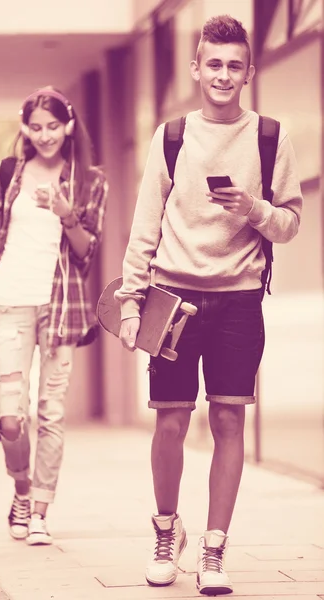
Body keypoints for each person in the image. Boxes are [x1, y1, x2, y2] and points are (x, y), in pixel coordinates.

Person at [115, 15, 302, 596]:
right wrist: (128, 302)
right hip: (171, 299)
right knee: (170, 422)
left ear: (248, 72)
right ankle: (166, 534)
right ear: (197, 68)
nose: (223, 74)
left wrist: (253, 208)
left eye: (233, 65)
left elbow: (290, 224)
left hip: (240, 301)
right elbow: (145, 227)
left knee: (227, 420)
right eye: (213, 63)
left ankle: (216, 551)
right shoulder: (171, 137)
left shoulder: (272, 136)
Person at [0, 86, 108, 545]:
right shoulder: (7, 173)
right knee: (11, 418)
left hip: (60, 310)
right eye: (36, 127)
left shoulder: (89, 181)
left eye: (53, 126)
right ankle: (21, 490)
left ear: (68, 126)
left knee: (50, 412)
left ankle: (41, 512)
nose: (45, 136)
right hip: (9, 303)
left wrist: (68, 214)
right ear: (25, 129)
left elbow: (87, 254)